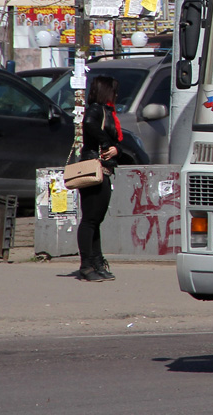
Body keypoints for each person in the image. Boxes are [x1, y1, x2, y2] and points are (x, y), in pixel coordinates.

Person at [78, 75, 122, 282]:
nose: (116, 94)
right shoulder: (96, 109)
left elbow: (116, 140)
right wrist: (105, 143)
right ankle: (86, 266)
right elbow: (89, 125)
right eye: (113, 90)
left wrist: (115, 149)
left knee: (96, 220)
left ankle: (97, 262)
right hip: (93, 167)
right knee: (90, 220)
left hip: (103, 169)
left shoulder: (105, 111)